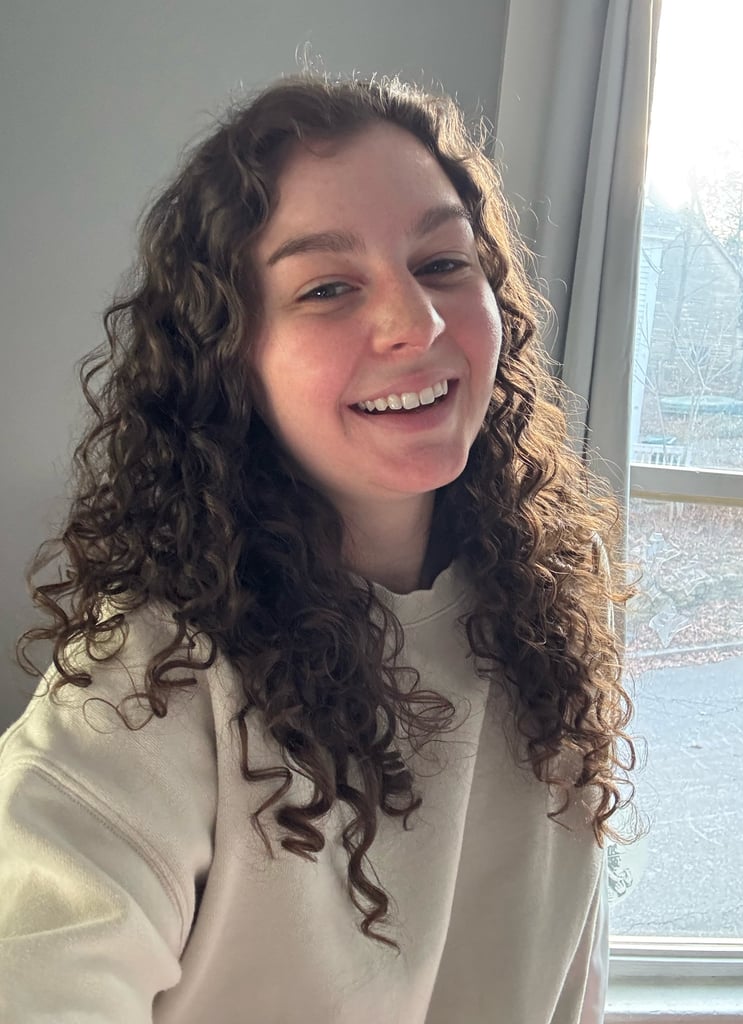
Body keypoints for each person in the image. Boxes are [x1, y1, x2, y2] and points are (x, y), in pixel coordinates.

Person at [0, 74, 635, 1023]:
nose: (416, 326)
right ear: (230, 358)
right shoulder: (151, 680)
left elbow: (564, 982)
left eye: (444, 264)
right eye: (329, 287)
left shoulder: (546, 620)